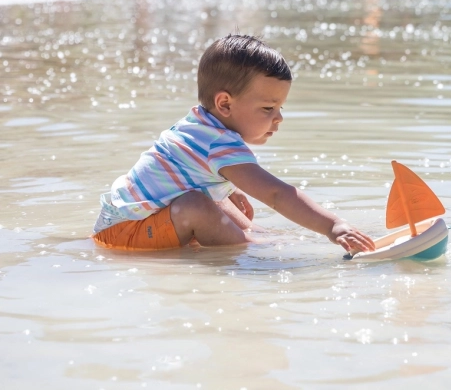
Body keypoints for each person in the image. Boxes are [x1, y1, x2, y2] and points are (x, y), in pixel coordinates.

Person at [92, 35, 375, 254]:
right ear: (224, 103)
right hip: (124, 235)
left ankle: (259, 235)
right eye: (268, 108)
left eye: (280, 107)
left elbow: (189, 170)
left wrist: (229, 188)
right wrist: (333, 226)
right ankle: (251, 247)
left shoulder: (201, 124)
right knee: (196, 205)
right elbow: (277, 194)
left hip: (120, 221)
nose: (279, 118)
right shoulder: (219, 143)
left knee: (218, 200)